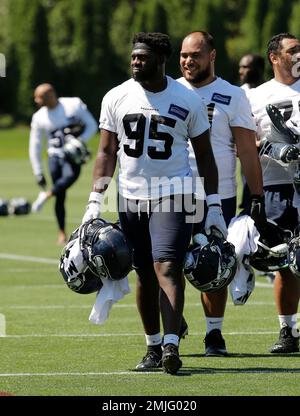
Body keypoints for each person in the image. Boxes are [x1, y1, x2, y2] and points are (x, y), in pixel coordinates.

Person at [81, 32, 227, 374]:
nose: (135, 62)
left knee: (168, 267)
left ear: (161, 60)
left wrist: (215, 204)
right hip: (130, 195)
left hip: (174, 192)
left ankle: (171, 347)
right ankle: (153, 345)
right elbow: (106, 152)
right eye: (133, 57)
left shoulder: (186, 99)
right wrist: (94, 200)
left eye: (142, 57)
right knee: (144, 273)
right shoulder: (117, 96)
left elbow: (204, 156)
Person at [177, 31, 265, 356]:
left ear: (212, 56)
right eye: (184, 55)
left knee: (214, 264)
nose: (188, 61)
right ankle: (172, 321)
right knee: (165, 263)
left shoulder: (232, 95)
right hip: (174, 193)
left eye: (195, 54)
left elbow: (246, 149)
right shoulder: (169, 90)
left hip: (220, 193)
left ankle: (214, 334)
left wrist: (256, 198)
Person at [247, 33, 300, 353]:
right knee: (287, 259)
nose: (299, 56)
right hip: (277, 184)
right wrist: (269, 147)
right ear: (274, 57)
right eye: (293, 51)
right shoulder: (255, 96)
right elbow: (241, 143)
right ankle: (287, 329)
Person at [29, 83, 98, 245]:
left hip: (73, 155)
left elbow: (92, 125)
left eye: (41, 97)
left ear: (51, 93)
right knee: (60, 196)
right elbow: (35, 145)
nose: (37, 101)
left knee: (71, 176)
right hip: (55, 156)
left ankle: (46, 194)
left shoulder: (73, 104)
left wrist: (78, 142)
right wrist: (38, 171)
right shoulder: (39, 117)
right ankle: (61, 232)